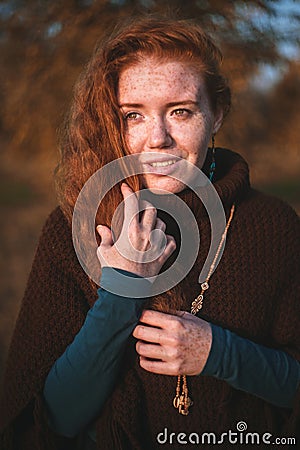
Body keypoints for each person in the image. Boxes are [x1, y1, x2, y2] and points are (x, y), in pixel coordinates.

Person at [0, 15, 299, 450]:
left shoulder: (273, 226)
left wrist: (220, 354)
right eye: (133, 115)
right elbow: (54, 419)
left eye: (180, 111)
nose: (157, 138)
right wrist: (122, 289)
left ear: (216, 115)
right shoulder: (72, 227)